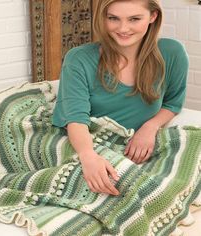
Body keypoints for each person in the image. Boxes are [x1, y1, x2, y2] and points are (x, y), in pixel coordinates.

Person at [52, 0, 189, 196]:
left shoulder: (171, 53)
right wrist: (88, 156)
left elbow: (173, 102)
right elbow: (76, 120)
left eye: (134, 19)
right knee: (117, 185)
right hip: (83, 141)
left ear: (153, 16)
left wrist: (150, 127)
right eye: (113, 18)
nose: (123, 28)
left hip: (134, 144)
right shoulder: (79, 59)